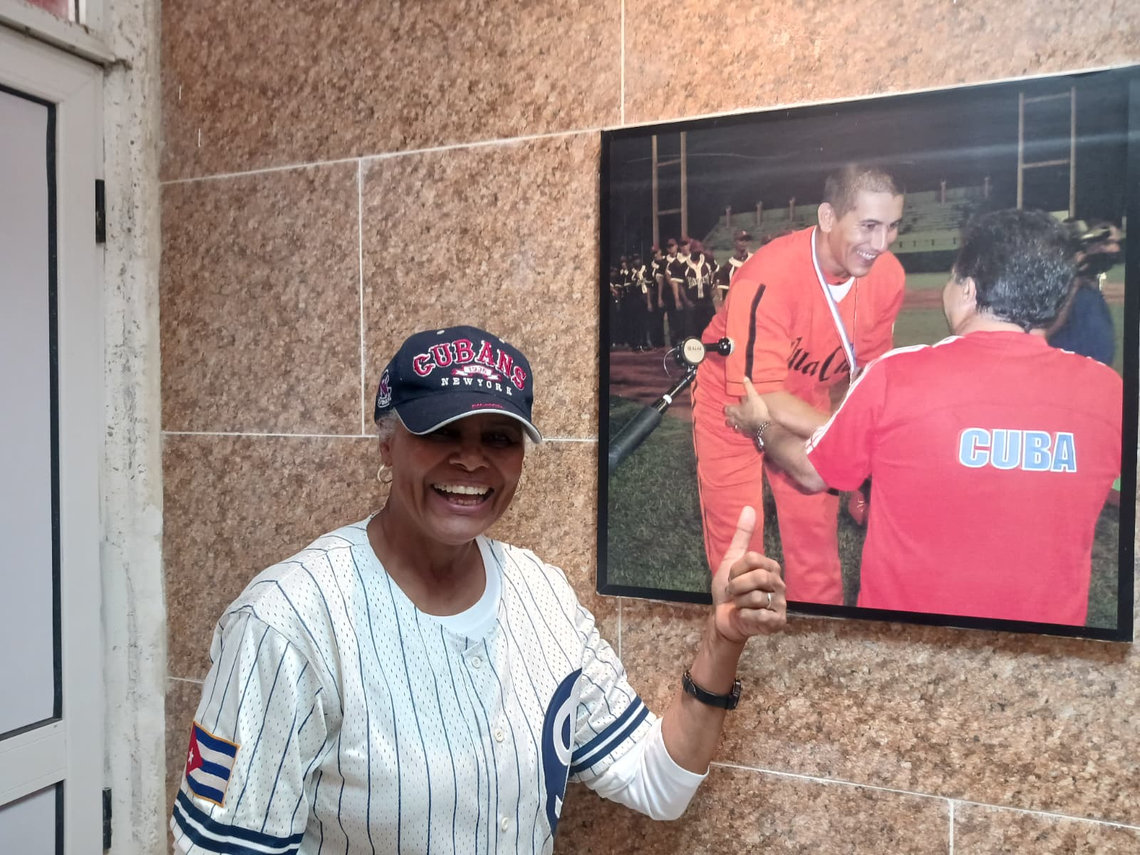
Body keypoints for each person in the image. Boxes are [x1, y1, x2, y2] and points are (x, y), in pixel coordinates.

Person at [170, 325, 787, 855]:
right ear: (387, 443)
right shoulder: (287, 622)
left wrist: (721, 640)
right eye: (442, 433)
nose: (471, 461)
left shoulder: (541, 593)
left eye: (498, 438)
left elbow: (659, 785)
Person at [727, 209, 1122, 625]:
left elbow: (811, 472)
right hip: (1043, 650)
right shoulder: (1108, 391)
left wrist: (762, 427)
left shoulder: (898, 374)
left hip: (905, 643)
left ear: (968, 290)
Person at [691, 164, 906, 605]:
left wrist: (860, 438)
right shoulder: (768, 275)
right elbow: (763, 395)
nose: (880, 245)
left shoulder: (888, 277)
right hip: (736, 399)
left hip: (808, 396)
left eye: (891, 228)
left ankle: (818, 636)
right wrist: (855, 441)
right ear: (828, 217)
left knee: (815, 533)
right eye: (868, 226)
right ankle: (741, 636)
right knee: (740, 537)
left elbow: (869, 374)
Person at [1046, 219, 1122, 366]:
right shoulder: (1061, 280)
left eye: (1117, 243)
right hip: (1068, 369)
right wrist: (1074, 281)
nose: (1114, 249)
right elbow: (1048, 328)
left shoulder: (1095, 281)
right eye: (1107, 243)